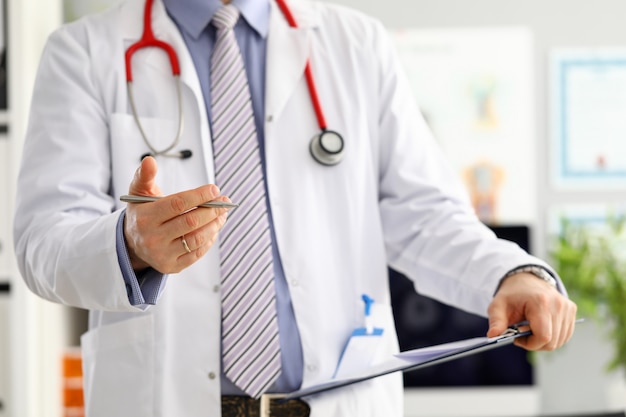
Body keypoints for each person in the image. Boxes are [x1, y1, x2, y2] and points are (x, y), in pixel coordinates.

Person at [13, 0, 577, 416]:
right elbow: (43, 240)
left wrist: (508, 273)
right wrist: (130, 245)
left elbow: (425, 212)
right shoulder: (85, 53)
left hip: (339, 399)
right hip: (167, 400)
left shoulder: (355, 44)